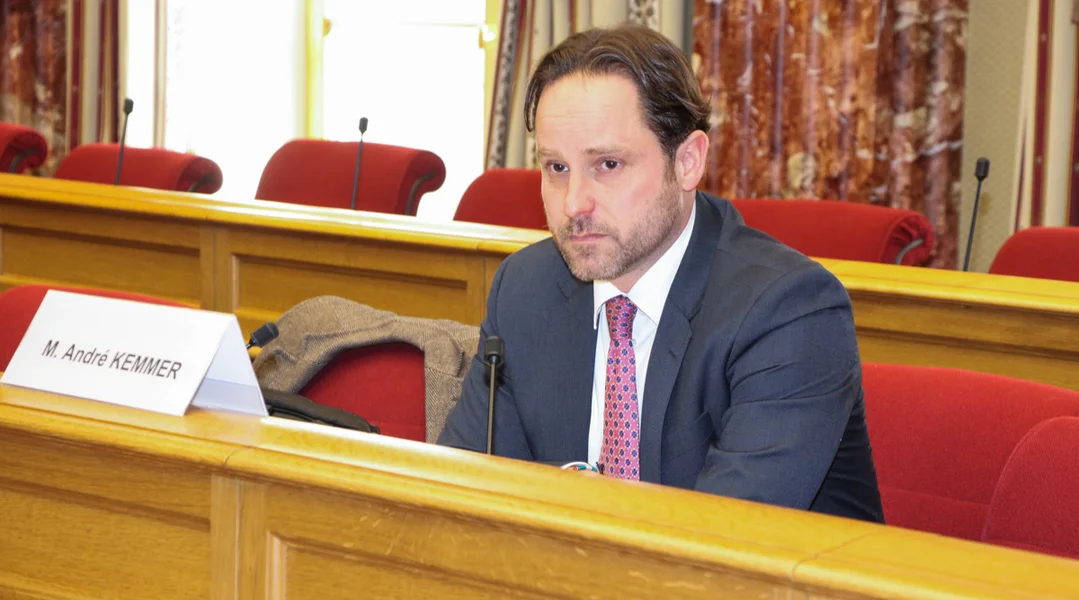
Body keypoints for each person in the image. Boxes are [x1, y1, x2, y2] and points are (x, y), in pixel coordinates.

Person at [438, 24, 883, 523]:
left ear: (688, 162)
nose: (573, 204)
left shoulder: (789, 312)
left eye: (608, 164)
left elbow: (724, 539)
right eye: (556, 168)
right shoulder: (524, 289)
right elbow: (460, 496)